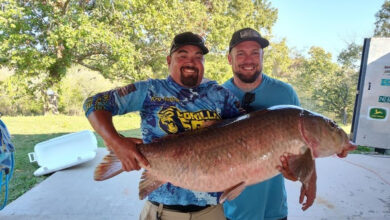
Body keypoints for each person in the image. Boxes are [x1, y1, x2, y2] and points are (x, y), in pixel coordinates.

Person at [83, 32, 242, 220]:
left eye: (198, 57)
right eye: (183, 55)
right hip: (161, 211)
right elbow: (95, 103)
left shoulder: (220, 94)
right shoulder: (150, 90)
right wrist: (116, 142)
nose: (191, 62)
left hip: (211, 211)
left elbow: (248, 130)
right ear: (169, 60)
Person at [222, 27, 317, 220]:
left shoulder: (285, 93)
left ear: (262, 57)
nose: (248, 60)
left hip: (274, 210)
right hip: (232, 210)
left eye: (255, 53)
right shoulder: (217, 96)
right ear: (230, 59)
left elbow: (305, 143)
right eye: (241, 53)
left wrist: (310, 180)